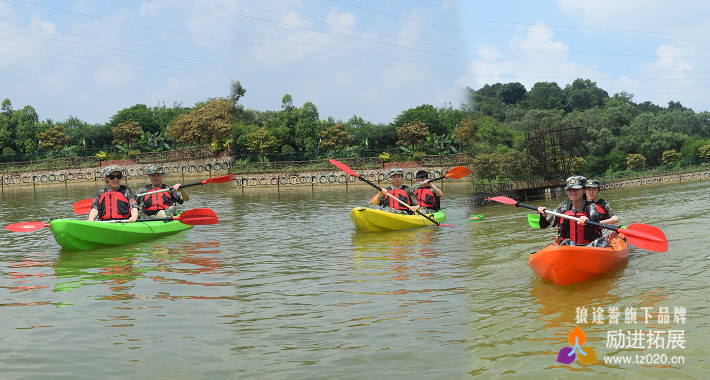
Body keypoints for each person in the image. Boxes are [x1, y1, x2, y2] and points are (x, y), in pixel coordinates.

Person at [537, 175, 602, 245]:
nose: (573, 192)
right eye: (570, 189)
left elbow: (595, 218)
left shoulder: (591, 206)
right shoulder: (562, 207)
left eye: (576, 189)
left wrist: (587, 220)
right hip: (567, 247)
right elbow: (543, 225)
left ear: (584, 190)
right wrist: (542, 215)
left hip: (588, 247)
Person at [585, 179, 620, 247]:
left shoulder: (604, 204)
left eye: (594, 189)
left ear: (598, 191)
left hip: (602, 233)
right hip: (587, 235)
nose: (591, 192)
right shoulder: (581, 204)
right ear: (584, 191)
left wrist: (598, 223)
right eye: (589, 189)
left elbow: (615, 219)